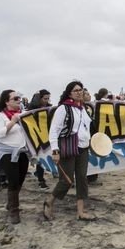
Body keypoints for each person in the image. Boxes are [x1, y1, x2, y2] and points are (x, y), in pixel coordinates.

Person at [43, 81, 95, 222]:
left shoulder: (83, 108)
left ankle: (80, 211)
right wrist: (55, 150)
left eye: (81, 90)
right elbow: (54, 130)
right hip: (68, 147)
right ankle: (50, 201)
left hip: (83, 148)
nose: (79, 92)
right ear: (69, 93)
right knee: (66, 180)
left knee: (82, 179)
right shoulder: (64, 108)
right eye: (76, 90)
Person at [0, 90, 30, 224]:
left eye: (19, 98)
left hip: (22, 152)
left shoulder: (23, 115)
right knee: (13, 181)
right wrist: (12, 122)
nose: (19, 100)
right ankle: (14, 210)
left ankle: (10, 202)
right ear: (7, 101)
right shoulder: (1, 116)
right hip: (8, 153)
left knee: (21, 179)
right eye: (15, 98)